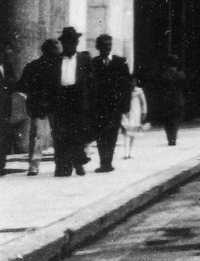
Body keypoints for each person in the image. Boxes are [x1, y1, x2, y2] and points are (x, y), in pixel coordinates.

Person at [51, 28, 94, 177]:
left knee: (77, 132)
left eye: (73, 42)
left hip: (78, 98)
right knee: (60, 133)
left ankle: (78, 162)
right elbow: (50, 83)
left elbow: (91, 82)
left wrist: (89, 101)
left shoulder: (84, 59)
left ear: (77, 43)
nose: (70, 45)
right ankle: (63, 167)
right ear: (63, 43)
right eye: (67, 42)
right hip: (61, 98)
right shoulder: (55, 60)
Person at [88, 34, 133, 173]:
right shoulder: (93, 63)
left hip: (115, 106)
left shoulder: (121, 62)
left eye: (108, 46)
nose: (106, 49)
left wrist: (125, 106)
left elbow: (127, 85)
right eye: (103, 47)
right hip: (99, 107)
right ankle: (103, 162)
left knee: (112, 133)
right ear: (98, 47)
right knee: (101, 133)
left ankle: (108, 162)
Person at [17, 40, 60, 176]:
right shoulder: (36, 67)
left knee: (38, 135)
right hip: (44, 105)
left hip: (44, 105)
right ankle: (38, 165)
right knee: (42, 135)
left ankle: (34, 166)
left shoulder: (33, 66)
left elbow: (21, 88)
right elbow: (22, 87)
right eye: (55, 52)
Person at [151, 56, 186, 146]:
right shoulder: (181, 75)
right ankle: (173, 138)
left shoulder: (163, 75)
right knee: (176, 119)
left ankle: (170, 138)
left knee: (168, 120)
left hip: (166, 100)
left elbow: (159, 89)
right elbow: (185, 88)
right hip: (178, 100)